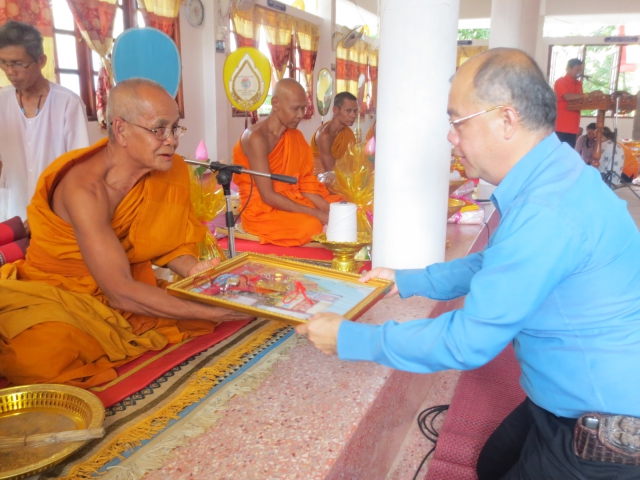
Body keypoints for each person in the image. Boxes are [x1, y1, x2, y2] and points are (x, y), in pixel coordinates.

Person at [297, 48, 640, 479]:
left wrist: (349, 339)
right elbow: (496, 263)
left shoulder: (548, 209)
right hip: (565, 395)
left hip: (604, 424)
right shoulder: (556, 170)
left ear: (506, 120)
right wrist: (406, 280)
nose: (450, 137)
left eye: (458, 122)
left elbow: (467, 340)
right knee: (492, 461)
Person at [0, 79, 247, 388]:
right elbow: (119, 290)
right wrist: (208, 311)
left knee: (199, 308)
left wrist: (191, 268)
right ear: (121, 130)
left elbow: (165, 241)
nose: (172, 140)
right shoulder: (84, 189)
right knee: (41, 357)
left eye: (175, 128)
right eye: (159, 130)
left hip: (121, 281)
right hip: (59, 292)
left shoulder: (169, 171)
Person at [232, 78, 342, 247]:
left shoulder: (295, 137)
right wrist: (318, 214)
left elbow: (304, 184)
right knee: (311, 225)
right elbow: (267, 195)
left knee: (344, 209)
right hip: (262, 210)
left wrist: (328, 209)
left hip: (292, 200)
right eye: (295, 108)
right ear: (275, 103)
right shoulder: (256, 138)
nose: (301, 115)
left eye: (303, 108)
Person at [0, 21, 90, 221]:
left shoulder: (68, 102)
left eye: (17, 63)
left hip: (54, 210)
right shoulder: (2, 101)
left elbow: (78, 167)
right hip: (11, 208)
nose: (10, 71)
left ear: (41, 61)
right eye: (3, 62)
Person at [310, 92, 357, 174]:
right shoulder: (324, 136)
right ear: (335, 110)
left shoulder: (348, 133)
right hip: (319, 179)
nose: (353, 115)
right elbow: (330, 172)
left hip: (342, 177)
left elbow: (352, 163)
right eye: (348, 110)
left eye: (355, 111)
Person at [554, 58, 584, 148]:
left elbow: (580, 100)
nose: (579, 72)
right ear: (568, 68)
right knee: (558, 152)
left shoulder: (579, 84)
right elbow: (567, 97)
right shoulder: (560, 82)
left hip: (573, 127)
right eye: (577, 70)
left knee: (569, 153)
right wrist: (587, 95)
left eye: (580, 70)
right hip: (561, 126)